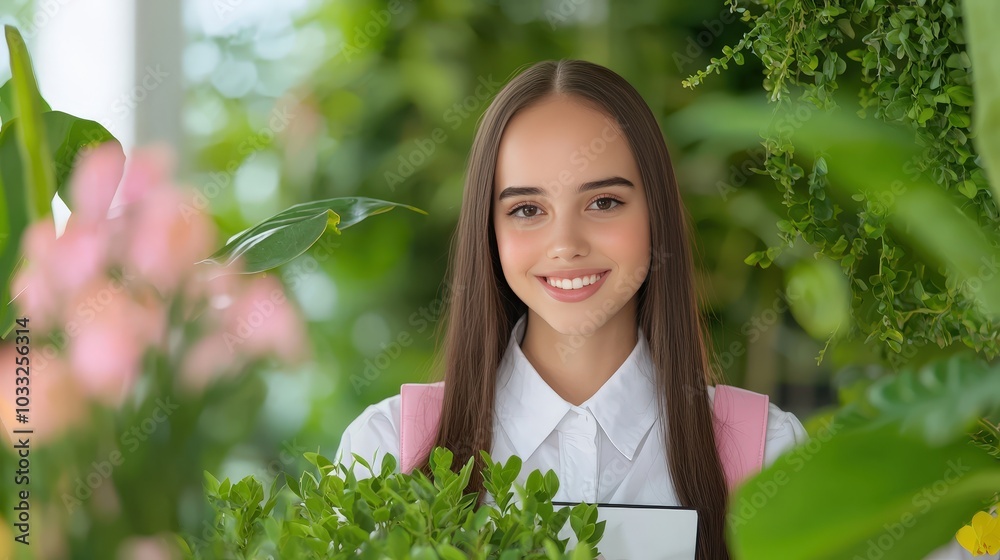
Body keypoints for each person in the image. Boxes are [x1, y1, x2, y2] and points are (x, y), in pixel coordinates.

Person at [335, 59, 807, 559]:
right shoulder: (384, 450)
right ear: (489, 232)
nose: (565, 244)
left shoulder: (768, 453)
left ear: (656, 212)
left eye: (603, 202)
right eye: (527, 210)